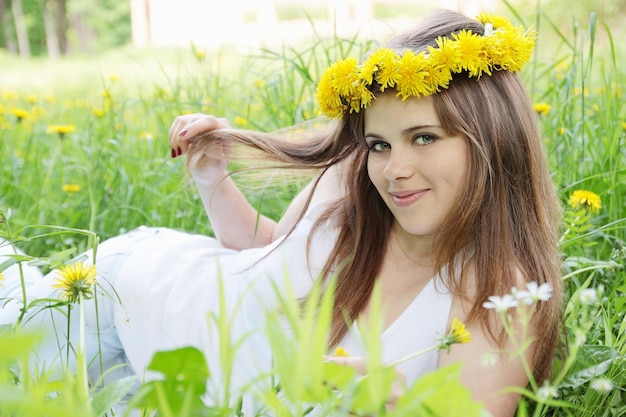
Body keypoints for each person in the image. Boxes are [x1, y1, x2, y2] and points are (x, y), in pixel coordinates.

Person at [0, 9, 563, 416]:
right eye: (380, 144)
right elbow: (265, 251)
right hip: (129, 299)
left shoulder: (502, 292)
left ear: (493, 139)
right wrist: (211, 178)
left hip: (184, 393)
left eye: (424, 137)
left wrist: (394, 403)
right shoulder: (352, 187)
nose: (394, 170)